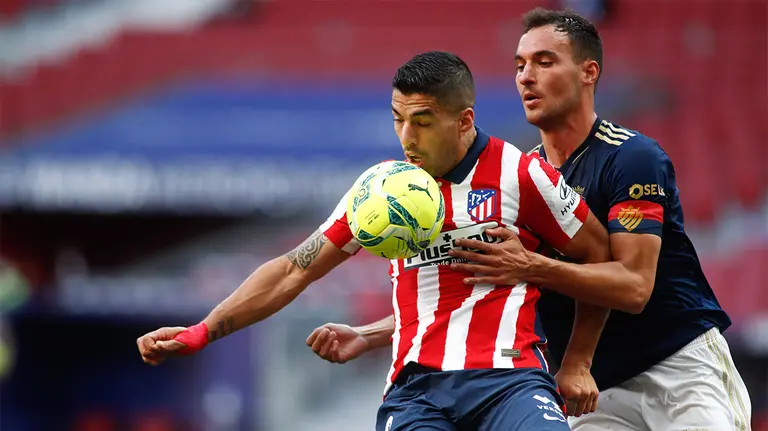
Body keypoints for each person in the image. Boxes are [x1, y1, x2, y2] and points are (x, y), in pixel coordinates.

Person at [307, 8, 753, 430]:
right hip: (594, 389)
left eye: (544, 62)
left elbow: (634, 288)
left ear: (588, 72)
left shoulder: (631, 157)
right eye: (519, 65)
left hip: (675, 366)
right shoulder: (521, 176)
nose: (526, 76)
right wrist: (370, 334)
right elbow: (474, 292)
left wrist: (532, 269)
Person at [137, 51, 616, 430]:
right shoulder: (380, 192)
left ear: (464, 120)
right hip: (417, 391)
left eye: (422, 121)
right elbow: (294, 268)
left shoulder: (521, 174)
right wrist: (204, 330)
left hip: (511, 382)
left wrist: (577, 359)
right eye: (397, 119)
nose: (407, 137)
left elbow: (598, 255)